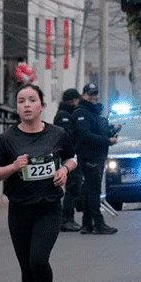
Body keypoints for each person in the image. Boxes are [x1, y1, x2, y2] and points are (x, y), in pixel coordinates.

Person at [0, 83, 77, 282]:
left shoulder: (57, 134)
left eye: (31, 100)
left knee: (38, 259)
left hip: (48, 208)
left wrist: (64, 170)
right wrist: (14, 167)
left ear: (41, 106)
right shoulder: (7, 139)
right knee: (26, 268)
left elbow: (73, 158)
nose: (26, 105)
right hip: (19, 209)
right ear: (17, 108)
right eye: (21, 101)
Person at [73, 83, 118, 235]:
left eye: (95, 94)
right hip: (89, 156)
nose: (93, 97)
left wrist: (112, 130)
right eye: (90, 94)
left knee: (88, 191)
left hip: (97, 156)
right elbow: (85, 135)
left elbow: (99, 132)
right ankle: (98, 223)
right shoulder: (81, 113)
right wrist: (107, 141)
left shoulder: (95, 113)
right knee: (93, 191)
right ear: (83, 95)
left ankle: (87, 224)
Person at [54, 88, 83, 232]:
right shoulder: (63, 116)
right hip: (67, 157)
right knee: (72, 187)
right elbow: (67, 137)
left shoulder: (68, 114)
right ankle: (66, 219)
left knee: (74, 186)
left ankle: (68, 218)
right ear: (73, 100)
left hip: (70, 156)